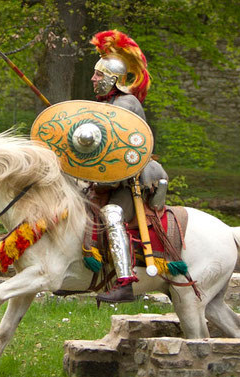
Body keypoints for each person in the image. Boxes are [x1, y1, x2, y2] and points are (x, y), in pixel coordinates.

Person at [88, 30, 168, 304]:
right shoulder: (103, 105)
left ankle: (125, 283)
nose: (93, 79)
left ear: (112, 79)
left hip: (130, 181)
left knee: (111, 214)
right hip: (105, 179)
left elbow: (128, 150)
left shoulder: (127, 104)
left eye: (98, 75)